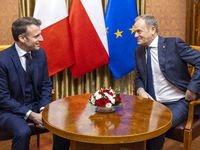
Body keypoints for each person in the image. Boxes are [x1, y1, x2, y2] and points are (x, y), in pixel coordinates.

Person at [0, 17, 70, 150]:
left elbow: (45, 85)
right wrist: (31, 115)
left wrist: (43, 111)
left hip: (36, 105)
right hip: (8, 111)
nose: (42, 39)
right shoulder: (2, 60)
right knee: (22, 132)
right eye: (37, 36)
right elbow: (3, 98)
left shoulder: (41, 54)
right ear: (22, 38)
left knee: (65, 125)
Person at [133, 14, 200, 150]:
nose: (135, 35)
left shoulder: (173, 44)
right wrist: (140, 90)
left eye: (139, 31)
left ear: (152, 30)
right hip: (152, 103)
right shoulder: (138, 51)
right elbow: (138, 77)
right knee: (132, 123)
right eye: (135, 31)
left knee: (156, 126)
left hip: (178, 102)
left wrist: (193, 88)